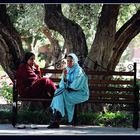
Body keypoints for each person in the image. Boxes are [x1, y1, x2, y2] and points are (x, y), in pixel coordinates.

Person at [47, 53, 89, 128]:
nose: (69, 63)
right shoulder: (66, 70)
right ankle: (56, 119)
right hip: (69, 93)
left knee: (59, 93)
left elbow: (76, 86)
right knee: (59, 93)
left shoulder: (79, 71)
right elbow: (62, 85)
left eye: (71, 61)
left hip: (80, 94)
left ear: (75, 61)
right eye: (68, 61)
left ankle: (55, 116)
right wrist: (65, 77)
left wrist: (67, 85)